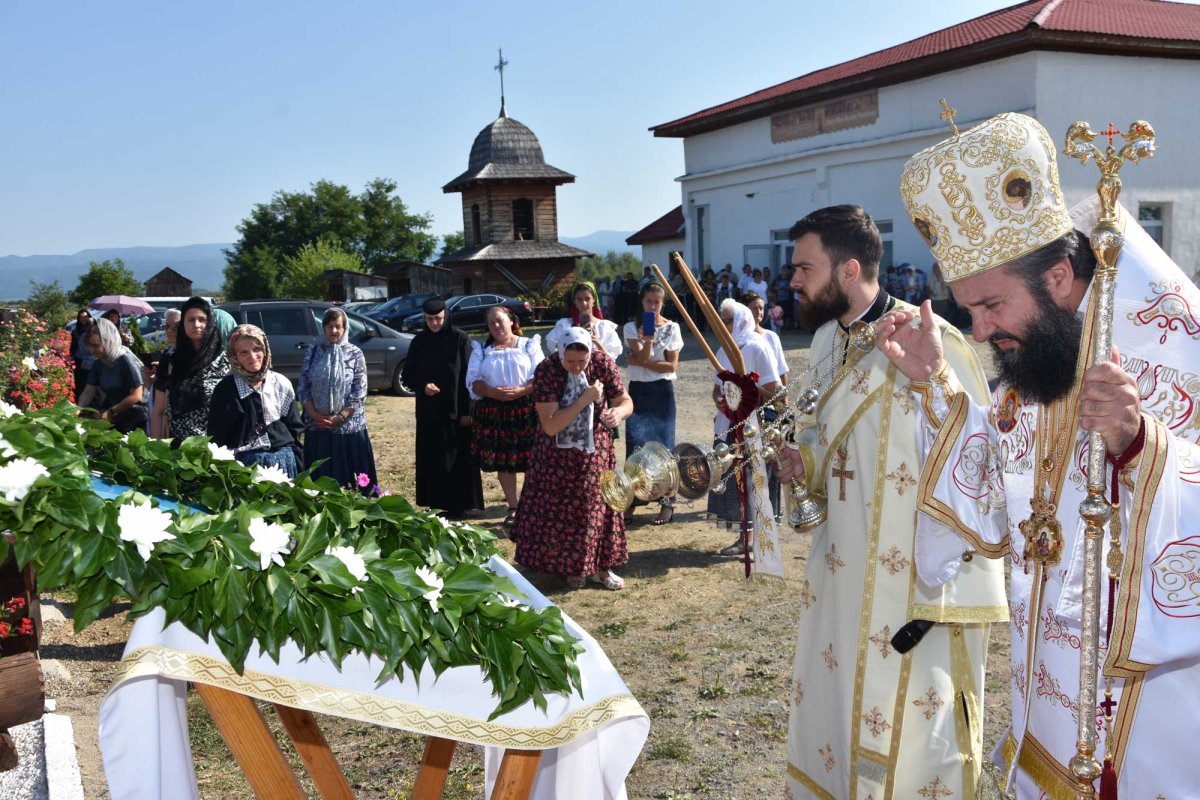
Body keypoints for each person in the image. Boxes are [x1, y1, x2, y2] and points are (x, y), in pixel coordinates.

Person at [874, 111, 1200, 799]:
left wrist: (1141, 445)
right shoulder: (1043, 364)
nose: (982, 330)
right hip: (1046, 701)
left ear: (1056, 277)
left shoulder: (1176, 346)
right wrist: (936, 383)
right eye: (968, 312)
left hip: (1155, 714)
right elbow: (998, 501)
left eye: (990, 305)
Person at [771, 204, 1002, 799]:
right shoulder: (824, 341)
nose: (792, 279)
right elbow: (822, 444)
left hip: (913, 586)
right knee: (837, 708)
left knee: (912, 743)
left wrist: (935, 384)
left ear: (848, 270)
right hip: (838, 572)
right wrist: (807, 465)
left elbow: (980, 464)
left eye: (804, 267)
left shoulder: (930, 339)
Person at [513, 327, 633, 589]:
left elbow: (625, 400)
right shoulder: (547, 370)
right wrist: (585, 399)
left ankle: (601, 567)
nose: (577, 367)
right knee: (560, 512)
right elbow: (552, 426)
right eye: (571, 362)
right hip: (555, 457)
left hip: (595, 451)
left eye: (582, 361)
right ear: (560, 353)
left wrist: (618, 413)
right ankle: (571, 568)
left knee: (597, 509)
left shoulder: (601, 362)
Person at [401, 297, 484, 517]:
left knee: (457, 457)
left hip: (457, 410)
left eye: (438, 319)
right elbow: (408, 374)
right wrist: (422, 386)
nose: (434, 323)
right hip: (429, 411)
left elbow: (469, 376)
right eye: (430, 319)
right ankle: (435, 502)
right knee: (432, 458)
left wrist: (468, 411)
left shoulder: (460, 339)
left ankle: (460, 504)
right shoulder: (419, 341)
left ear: (446, 316)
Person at [709, 299, 780, 551]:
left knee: (755, 480)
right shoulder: (722, 349)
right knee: (734, 479)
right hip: (727, 425)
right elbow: (717, 387)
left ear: (740, 319)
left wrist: (747, 392)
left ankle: (760, 540)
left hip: (753, 425)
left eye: (727, 319)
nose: (724, 324)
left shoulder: (757, 346)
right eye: (721, 319)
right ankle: (744, 537)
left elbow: (773, 390)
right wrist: (719, 400)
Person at [466, 306, 544, 527]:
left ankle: (532, 505)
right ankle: (513, 507)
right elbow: (473, 382)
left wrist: (522, 391)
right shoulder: (482, 351)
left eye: (500, 320)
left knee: (533, 459)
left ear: (511, 321)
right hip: (494, 411)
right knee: (505, 461)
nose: (497, 326)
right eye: (492, 323)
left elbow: (542, 374)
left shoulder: (529, 345)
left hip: (527, 408)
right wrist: (492, 392)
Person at [622, 282, 684, 525]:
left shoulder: (672, 328)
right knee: (636, 445)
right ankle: (632, 501)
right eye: (648, 301)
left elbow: (671, 366)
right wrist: (647, 341)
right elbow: (646, 356)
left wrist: (638, 361)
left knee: (664, 446)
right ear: (642, 301)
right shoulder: (630, 327)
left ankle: (668, 503)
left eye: (656, 302)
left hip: (661, 391)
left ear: (662, 303)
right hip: (638, 390)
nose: (652, 306)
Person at [207, 324, 304, 476]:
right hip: (243, 469)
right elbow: (217, 438)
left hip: (283, 465)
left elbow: (295, 430)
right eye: (244, 352)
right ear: (234, 356)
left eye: (257, 349)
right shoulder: (226, 390)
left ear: (265, 349)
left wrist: (299, 468)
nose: (252, 356)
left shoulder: (280, 383)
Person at [298, 307, 377, 491]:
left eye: (338, 326)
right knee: (320, 480)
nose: (334, 331)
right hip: (318, 425)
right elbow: (303, 385)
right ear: (324, 328)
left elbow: (360, 390)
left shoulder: (355, 353)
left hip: (347, 427)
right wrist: (314, 414)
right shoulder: (313, 351)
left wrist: (340, 417)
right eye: (330, 326)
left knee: (350, 482)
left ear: (345, 328)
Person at [154, 297, 231, 441]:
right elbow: (158, 411)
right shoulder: (171, 360)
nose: (196, 325)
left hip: (216, 448)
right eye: (191, 320)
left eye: (202, 319)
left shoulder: (225, 360)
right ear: (182, 324)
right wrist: (155, 451)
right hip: (177, 447)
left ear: (210, 322)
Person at [76, 318, 148, 434]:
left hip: (136, 419)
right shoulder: (99, 364)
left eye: (96, 346)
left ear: (109, 341)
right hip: (115, 417)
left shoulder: (125, 361)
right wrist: (77, 410)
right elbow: (88, 392)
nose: (92, 350)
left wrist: (111, 412)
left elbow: (136, 396)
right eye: (90, 346)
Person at [545, 282, 622, 362]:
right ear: (575, 301)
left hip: (598, 373)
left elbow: (611, 360)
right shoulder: (565, 325)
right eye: (579, 299)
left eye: (587, 299)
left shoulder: (605, 328)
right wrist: (576, 336)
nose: (584, 303)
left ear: (593, 300)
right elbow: (557, 353)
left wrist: (597, 342)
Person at [70, 309, 96, 397]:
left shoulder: (94, 329)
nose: (83, 319)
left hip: (92, 360)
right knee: (81, 383)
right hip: (79, 360)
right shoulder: (75, 331)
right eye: (81, 317)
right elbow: (73, 347)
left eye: (85, 316)